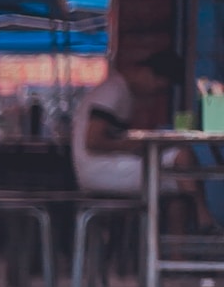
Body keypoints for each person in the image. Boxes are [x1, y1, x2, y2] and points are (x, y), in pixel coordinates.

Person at [71, 50, 181, 196]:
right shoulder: (111, 92)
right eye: (158, 87)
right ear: (146, 72)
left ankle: (199, 214)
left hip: (104, 167)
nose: (154, 93)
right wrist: (131, 146)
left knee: (179, 178)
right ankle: (203, 215)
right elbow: (92, 141)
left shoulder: (123, 92)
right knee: (180, 161)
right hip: (100, 170)